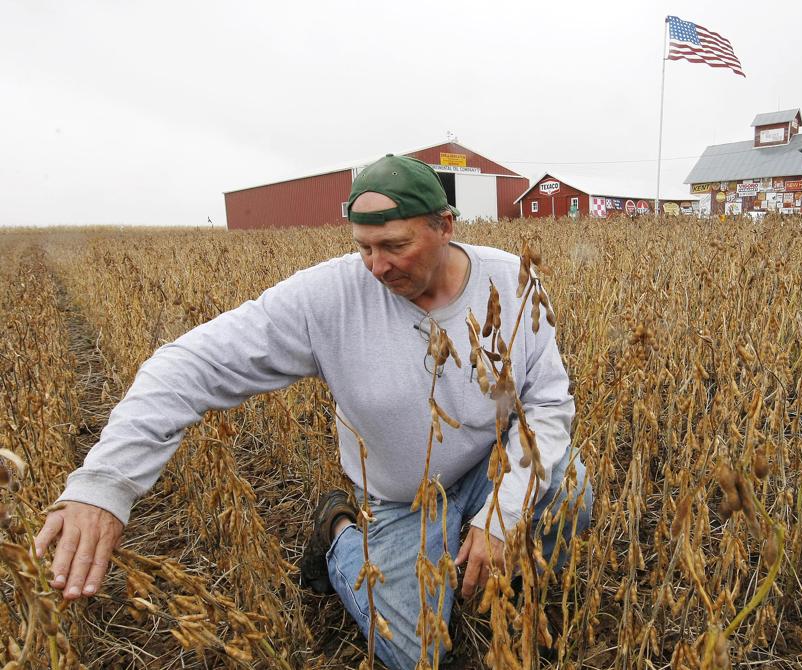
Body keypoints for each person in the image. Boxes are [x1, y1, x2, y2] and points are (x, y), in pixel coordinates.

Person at [33, 154, 593, 670]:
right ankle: (341, 536)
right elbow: (187, 365)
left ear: (445, 226)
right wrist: (104, 484)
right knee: (416, 656)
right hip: (399, 501)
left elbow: (547, 405)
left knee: (568, 485)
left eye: (394, 246)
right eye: (363, 248)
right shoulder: (328, 299)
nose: (376, 267)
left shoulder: (510, 282)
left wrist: (503, 514)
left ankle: (504, 575)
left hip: (492, 469)